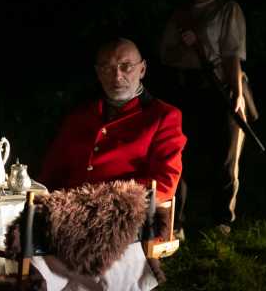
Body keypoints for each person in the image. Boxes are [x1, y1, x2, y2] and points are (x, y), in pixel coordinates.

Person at [159, 0, 247, 234]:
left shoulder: (226, 9)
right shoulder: (180, 14)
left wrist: (237, 93)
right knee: (179, 154)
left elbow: (232, 54)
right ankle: (176, 221)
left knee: (226, 154)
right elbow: (165, 53)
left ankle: (222, 219)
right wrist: (184, 47)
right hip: (185, 88)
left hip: (219, 87)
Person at [38, 38, 186, 203]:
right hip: (66, 208)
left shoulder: (163, 116)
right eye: (107, 68)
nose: (117, 76)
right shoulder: (79, 115)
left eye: (126, 66)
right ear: (98, 73)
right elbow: (50, 173)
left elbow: (165, 183)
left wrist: (105, 201)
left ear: (142, 69)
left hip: (124, 212)